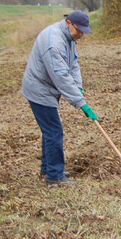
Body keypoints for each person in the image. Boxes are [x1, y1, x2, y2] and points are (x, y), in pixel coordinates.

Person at [21, 10, 98, 186]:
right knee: (54, 132)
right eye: (79, 30)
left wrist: (78, 87)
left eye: (83, 32)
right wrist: (81, 103)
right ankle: (54, 176)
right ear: (69, 23)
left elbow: (73, 64)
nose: (81, 35)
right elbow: (61, 75)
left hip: (47, 89)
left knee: (49, 132)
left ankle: (47, 169)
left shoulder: (68, 38)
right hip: (39, 90)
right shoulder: (54, 42)